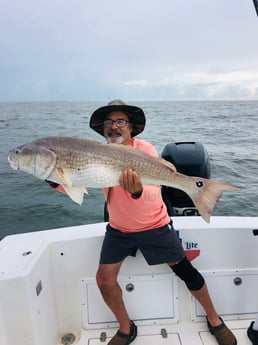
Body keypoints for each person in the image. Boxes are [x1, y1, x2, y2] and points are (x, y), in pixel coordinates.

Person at [88, 99, 237, 345]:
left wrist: (136, 191)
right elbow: (74, 181)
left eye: (120, 121)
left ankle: (214, 319)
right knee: (104, 279)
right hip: (118, 229)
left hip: (154, 226)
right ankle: (126, 328)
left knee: (186, 272)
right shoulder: (97, 153)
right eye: (109, 122)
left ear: (131, 127)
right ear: (103, 129)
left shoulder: (143, 149)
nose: (114, 126)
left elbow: (154, 191)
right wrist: (55, 179)